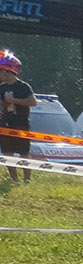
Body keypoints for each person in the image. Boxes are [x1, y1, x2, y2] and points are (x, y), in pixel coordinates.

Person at [0, 49, 37, 184]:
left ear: (7, 71)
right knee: (7, 153)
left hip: (21, 125)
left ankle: (27, 179)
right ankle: (14, 179)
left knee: (24, 153)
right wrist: (5, 102)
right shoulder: (1, 87)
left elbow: (33, 102)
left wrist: (14, 100)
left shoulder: (23, 87)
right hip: (5, 125)